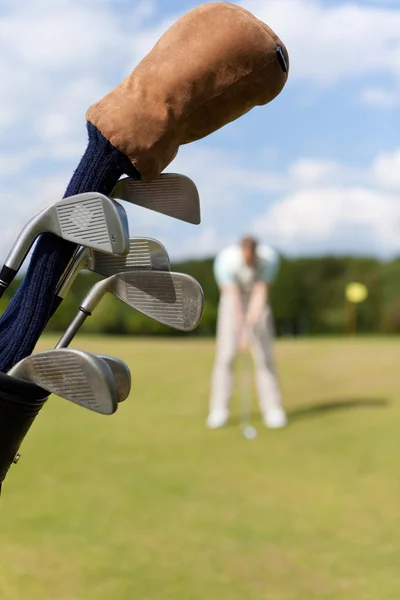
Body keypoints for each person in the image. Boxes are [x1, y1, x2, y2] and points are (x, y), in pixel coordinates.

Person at [207, 236, 287, 429]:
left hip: (256, 299)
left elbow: (260, 294)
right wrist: (241, 333)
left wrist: (251, 322)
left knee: (264, 357)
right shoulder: (225, 261)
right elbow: (233, 299)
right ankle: (219, 410)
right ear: (241, 252)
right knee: (225, 356)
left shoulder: (270, 260)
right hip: (232, 299)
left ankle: (272, 409)